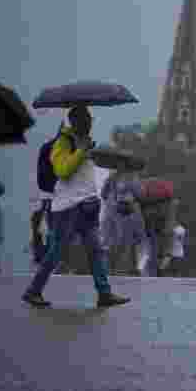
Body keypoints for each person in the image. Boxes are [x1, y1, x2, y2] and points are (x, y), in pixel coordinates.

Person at [22, 106, 130, 308]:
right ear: (76, 122)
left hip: (87, 205)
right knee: (56, 253)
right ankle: (33, 291)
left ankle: (104, 293)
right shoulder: (63, 143)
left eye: (90, 119)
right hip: (67, 208)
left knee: (96, 250)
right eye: (85, 120)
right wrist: (81, 151)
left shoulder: (85, 143)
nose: (90, 123)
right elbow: (63, 170)